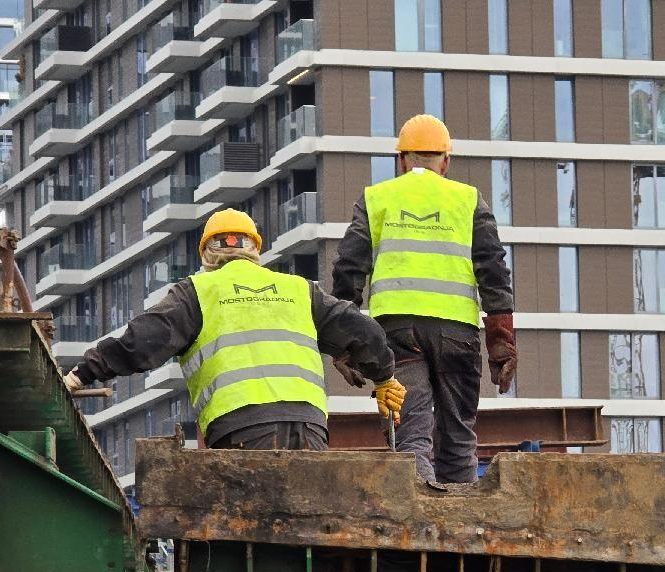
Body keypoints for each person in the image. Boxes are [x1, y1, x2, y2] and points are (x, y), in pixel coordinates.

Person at [62, 208, 405, 450]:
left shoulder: (197, 292)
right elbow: (364, 331)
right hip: (309, 425)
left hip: (241, 428)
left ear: (206, 253)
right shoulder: (299, 290)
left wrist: (82, 374)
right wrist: (384, 378)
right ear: (255, 248)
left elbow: (141, 342)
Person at [331, 113, 517, 484]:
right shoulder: (468, 200)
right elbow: (493, 272)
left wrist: (346, 345)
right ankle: (460, 517)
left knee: (410, 435)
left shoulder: (376, 199)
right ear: (445, 161)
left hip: (395, 334)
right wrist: (501, 344)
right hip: (457, 335)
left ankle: (418, 510)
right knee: (458, 439)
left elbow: (348, 270)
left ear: (401, 160)